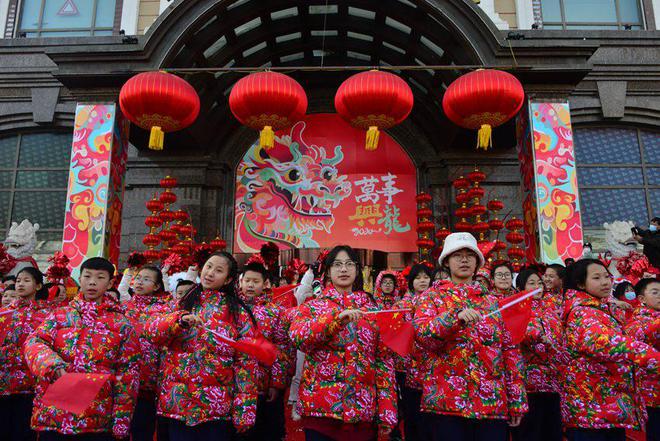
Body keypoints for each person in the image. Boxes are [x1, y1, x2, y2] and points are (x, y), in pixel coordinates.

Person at [413, 232, 528, 441]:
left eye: (470, 255)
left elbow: (510, 351)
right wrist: (453, 319)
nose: (464, 260)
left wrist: (517, 399)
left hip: (491, 402)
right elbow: (423, 337)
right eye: (457, 255)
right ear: (446, 261)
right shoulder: (431, 298)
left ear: (478, 262)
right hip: (446, 403)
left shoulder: (493, 302)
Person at [24, 257, 141, 440]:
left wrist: (121, 421)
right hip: (56, 413)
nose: (92, 282)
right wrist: (52, 365)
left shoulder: (122, 324)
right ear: (81, 279)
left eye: (100, 277)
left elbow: (128, 374)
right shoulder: (60, 315)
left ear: (110, 282)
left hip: (96, 416)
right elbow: (34, 343)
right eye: (87, 276)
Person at [145, 251, 258, 441]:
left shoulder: (239, 315)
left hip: (216, 407)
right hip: (178, 404)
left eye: (218, 270)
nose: (210, 273)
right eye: (208, 266)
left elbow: (246, 364)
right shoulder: (180, 304)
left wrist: (244, 410)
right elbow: (151, 332)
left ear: (228, 279)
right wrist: (178, 321)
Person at [288, 245, 397, 441]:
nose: (344, 269)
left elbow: (384, 362)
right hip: (320, 412)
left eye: (349, 264)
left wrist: (387, 412)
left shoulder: (373, 310)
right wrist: (335, 321)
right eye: (337, 264)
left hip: (362, 413)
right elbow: (298, 337)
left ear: (357, 270)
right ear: (328, 271)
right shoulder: (313, 306)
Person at [562, 259, 660, 441]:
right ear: (580, 284)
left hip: (607, 408)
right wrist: (653, 358)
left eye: (607, 276)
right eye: (597, 278)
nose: (605, 282)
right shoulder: (581, 312)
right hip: (591, 411)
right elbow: (607, 342)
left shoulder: (602, 308)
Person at [237, 259, 294, 441]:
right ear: (241, 282)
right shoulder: (232, 308)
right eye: (247, 281)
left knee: (267, 432)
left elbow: (283, 348)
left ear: (265, 284)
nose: (251, 285)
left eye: (256, 281)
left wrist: (276, 384)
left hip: (264, 384)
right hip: (235, 384)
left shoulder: (276, 312)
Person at [511, 269, 564, 441]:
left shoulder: (550, 310)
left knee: (552, 432)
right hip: (528, 384)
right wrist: (538, 336)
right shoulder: (515, 309)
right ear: (520, 288)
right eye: (531, 283)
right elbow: (515, 334)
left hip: (553, 382)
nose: (537, 287)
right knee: (530, 433)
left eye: (539, 283)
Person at [0, 267, 49, 441]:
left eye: (26, 280)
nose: (20, 284)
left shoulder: (47, 316)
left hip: (31, 385)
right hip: (4, 383)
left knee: (23, 431)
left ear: (38, 286)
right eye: (19, 280)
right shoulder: (4, 313)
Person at [124, 265, 172, 441]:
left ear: (157, 286)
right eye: (138, 278)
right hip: (122, 382)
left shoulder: (165, 310)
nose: (139, 282)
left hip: (149, 383)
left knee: (142, 430)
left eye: (146, 279)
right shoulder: (123, 307)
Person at [399, 263, 434, 441]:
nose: (422, 281)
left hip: (433, 368)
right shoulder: (403, 305)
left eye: (426, 277)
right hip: (410, 368)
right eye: (418, 278)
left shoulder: (438, 301)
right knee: (412, 414)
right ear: (411, 282)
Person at [625, 278, 660, 441]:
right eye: (655, 292)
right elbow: (639, 336)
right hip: (650, 391)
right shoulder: (636, 321)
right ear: (641, 299)